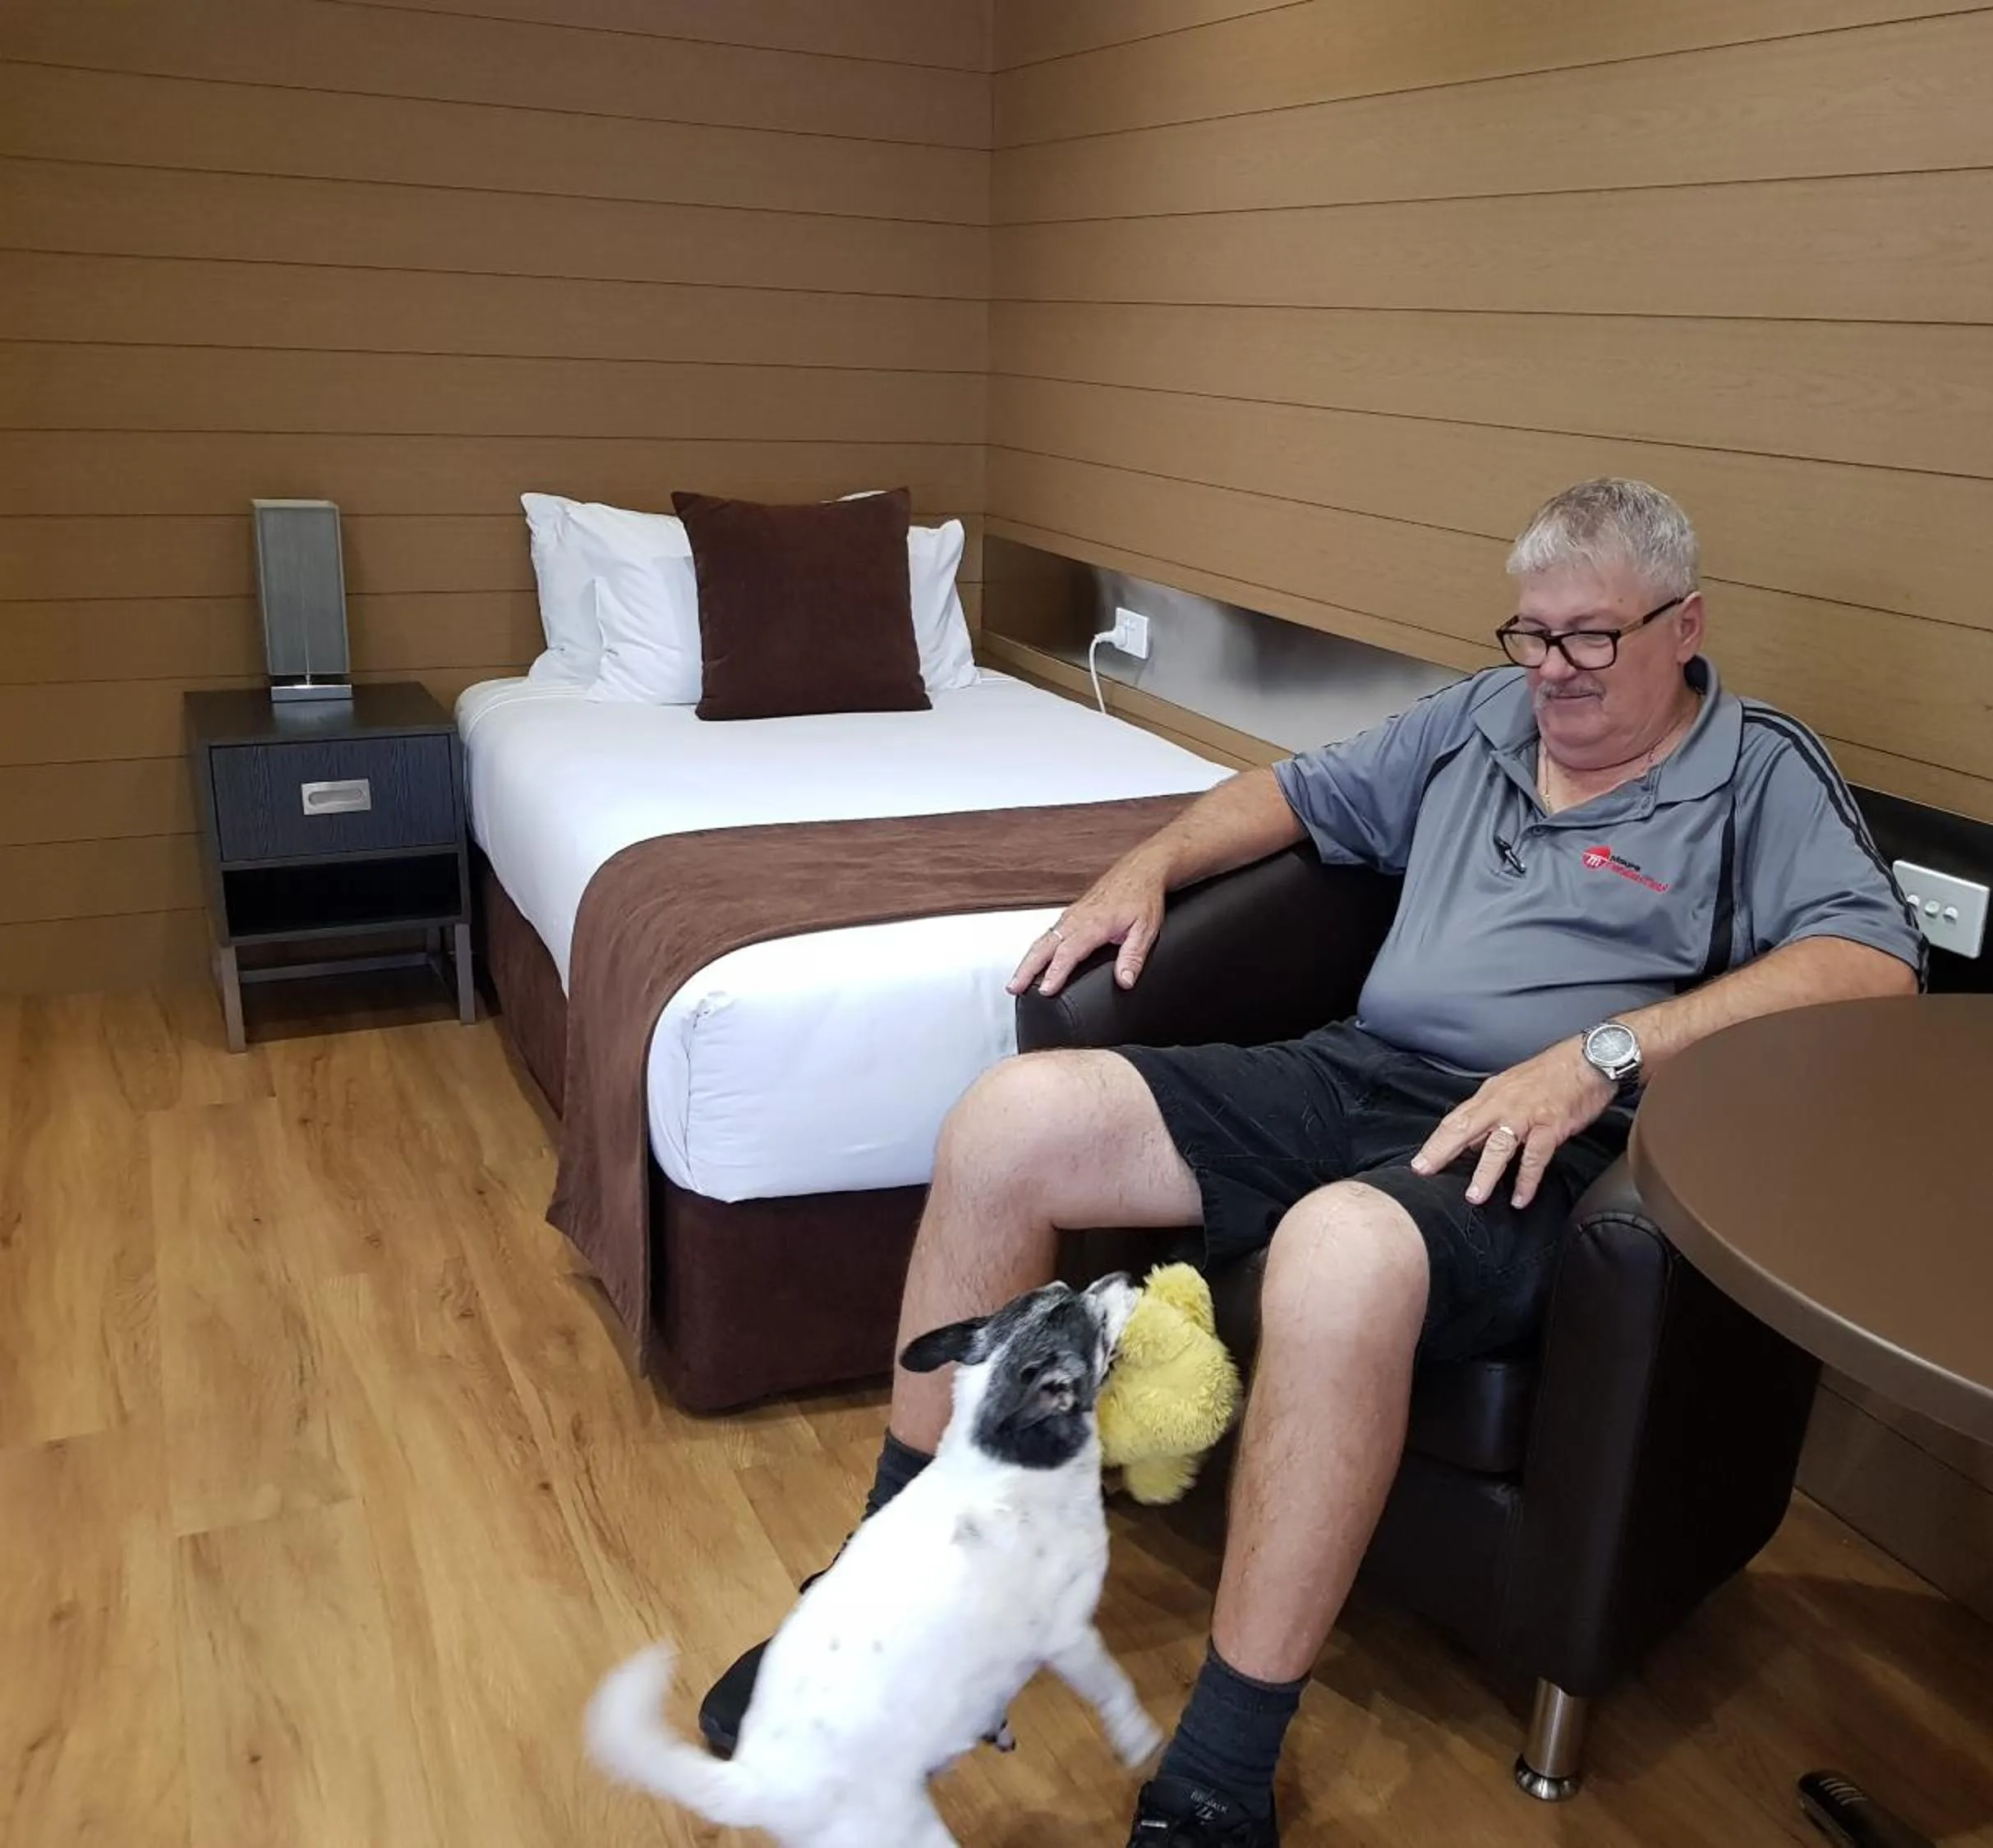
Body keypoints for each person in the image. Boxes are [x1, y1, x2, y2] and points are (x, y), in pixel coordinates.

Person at [697, 479, 1925, 1845]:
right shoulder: (1480, 716)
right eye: (1532, 634)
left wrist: (1604, 1055)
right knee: (1006, 1121)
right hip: (1355, 1071)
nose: (1554, 672)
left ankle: (1221, 1770)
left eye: (1592, 637)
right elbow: (1286, 794)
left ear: (1684, 626)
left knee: (1337, 1249)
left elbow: (1872, 964)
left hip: (1540, 1144)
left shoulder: (1758, 770)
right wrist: (1144, 867)